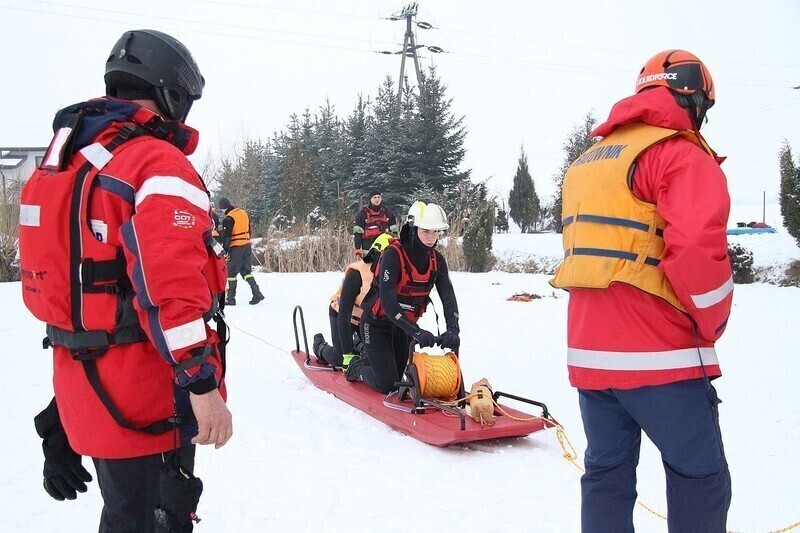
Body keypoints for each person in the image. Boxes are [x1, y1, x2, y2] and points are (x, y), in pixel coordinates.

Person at [18, 30, 232, 531]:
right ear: (171, 94)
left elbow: (73, 292)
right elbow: (171, 287)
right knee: (153, 519)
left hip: (88, 388)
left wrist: (63, 415)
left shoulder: (68, 161)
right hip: (148, 398)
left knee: (124, 515)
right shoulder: (156, 162)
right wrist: (201, 383)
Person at [550, 50, 733, 532]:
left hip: (590, 356)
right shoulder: (680, 154)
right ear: (693, 98)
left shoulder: (588, 160)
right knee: (701, 476)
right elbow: (695, 251)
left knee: (606, 475)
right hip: (661, 355)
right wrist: (711, 322)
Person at [346, 201, 460, 393]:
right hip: (376, 324)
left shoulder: (437, 260)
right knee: (388, 385)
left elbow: (448, 296)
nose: (431, 237)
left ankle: (372, 358)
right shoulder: (392, 255)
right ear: (413, 229)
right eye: (426, 231)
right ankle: (356, 368)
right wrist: (415, 331)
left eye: (435, 232)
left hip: (402, 329)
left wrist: (453, 328)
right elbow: (388, 302)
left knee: (399, 378)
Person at [312, 233, 393, 368]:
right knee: (339, 359)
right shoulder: (357, 274)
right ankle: (320, 346)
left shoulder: (394, 275)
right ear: (376, 255)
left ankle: (357, 344)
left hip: (367, 322)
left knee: (374, 358)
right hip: (344, 316)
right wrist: (347, 355)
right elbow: (344, 313)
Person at [217, 197, 264, 305]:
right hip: (247, 245)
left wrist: (226, 250)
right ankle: (257, 293)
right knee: (246, 272)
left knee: (231, 273)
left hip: (236, 246)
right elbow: (249, 229)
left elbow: (228, 236)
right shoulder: (243, 213)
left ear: (223, 208)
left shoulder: (228, 218)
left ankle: (231, 299)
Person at [353, 190, 398, 258]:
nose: (377, 199)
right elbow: (357, 232)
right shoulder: (363, 214)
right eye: (374, 197)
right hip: (368, 246)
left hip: (385, 246)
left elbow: (394, 232)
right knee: (368, 267)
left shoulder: (388, 213)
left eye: (378, 197)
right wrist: (357, 248)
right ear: (370, 199)